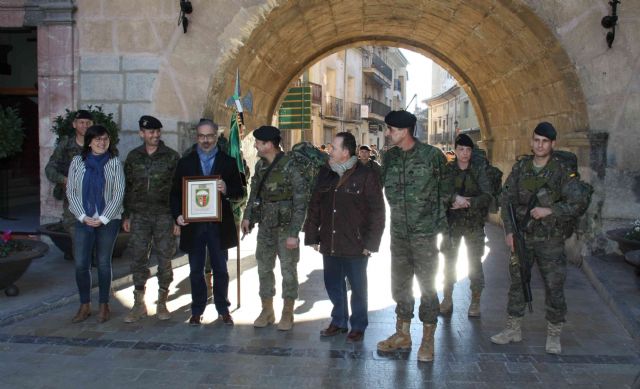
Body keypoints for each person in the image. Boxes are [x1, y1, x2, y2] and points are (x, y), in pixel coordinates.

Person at [491, 122, 589, 354]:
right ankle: (513, 328)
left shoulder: (562, 170)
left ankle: (554, 334)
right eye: (536, 140)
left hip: (550, 239)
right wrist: (509, 231)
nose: (540, 145)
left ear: (552, 144)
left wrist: (550, 211)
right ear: (532, 141)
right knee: (517, 282)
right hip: (523, 237)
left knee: (554, 285)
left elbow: (579, 203)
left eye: (545, 141)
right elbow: (506, 200)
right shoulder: (522, 167)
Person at [376, 110, 451, 362]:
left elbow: (445, 194)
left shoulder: (432, 157)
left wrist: (441, 232)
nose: (387, 133)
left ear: (404, 131)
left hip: (425, 235)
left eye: (391, 129)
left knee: (427, 287)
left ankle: (428, 339)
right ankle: (403, 334)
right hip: (398, 234)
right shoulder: (390, 158)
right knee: (400, 284)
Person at [304, 132, 385, 342]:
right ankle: (339, 321)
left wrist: (371, 243)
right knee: (333, 283)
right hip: (330, 241)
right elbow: (315, 205)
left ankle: (358, 325)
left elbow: (378, 211)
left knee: (358, 287)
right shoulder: (325, 173)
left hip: (356, 244)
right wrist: (312, 234)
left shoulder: (366, 175)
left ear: (345, 152)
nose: (330, 151)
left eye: (334, 148)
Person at [170, 119, 243, 326]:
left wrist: (227, 188)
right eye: (201, 136)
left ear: (216, 136)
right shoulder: (186, 163)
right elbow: (175, 194)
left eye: (209, 136)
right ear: (196, 137)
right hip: (193, 226)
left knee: (220, 269)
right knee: (195, 270)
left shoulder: (228, 162)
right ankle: (197, 309)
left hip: (219, 226)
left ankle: (223, 308)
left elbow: (240, 192)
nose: (205, 140)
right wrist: (177, 215)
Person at [240, 126, 307, 331]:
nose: (255, 146)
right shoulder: (260, 166)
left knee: (288, 270)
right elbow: (254, 194)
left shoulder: (292, 165)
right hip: (266, 227)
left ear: (269, 145)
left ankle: (288, 311)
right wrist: (247, 216)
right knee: (264, 268)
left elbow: (301, 201)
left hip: (287, 227)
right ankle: (267, 310)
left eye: (258, 143)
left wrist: (294, 233)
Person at [122, 115, 180, 323]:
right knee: (138, 258)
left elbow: (178, 190)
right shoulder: (133, 157)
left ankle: (162, 301)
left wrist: (177, 218)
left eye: (157, 132)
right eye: (150, 132)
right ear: (142, 133)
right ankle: (139, 304)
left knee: (165, 259)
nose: (154, 135)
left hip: (164, 215)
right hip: (139, 216)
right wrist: (126, 214)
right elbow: (127, 187)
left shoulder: (172, 157)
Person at [66, 125, 125, 323]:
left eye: (105, 139)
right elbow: (71, 192)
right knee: (81, 264)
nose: (102, 143)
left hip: (108, 221)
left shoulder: (114, 163)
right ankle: (84, 305)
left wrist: (103, 218)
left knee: (103, 263)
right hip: (83, 220)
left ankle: (104, 304)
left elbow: (118, 193)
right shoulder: (77, 162)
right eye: (98, 139)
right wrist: (83, 216)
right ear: (89, 141)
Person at [439, 134, 493, 317]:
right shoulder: (447, 170)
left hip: (473, 224)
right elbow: (440, 192)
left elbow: (487, 195)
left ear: (471, 152)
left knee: (475, 263)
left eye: (468, 150)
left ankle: (476, 301)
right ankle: (447, 299)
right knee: (449, 262)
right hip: (452, 224)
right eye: (461, 149)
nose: (464, 153)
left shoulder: (479, 170)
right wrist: (454, 199)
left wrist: (467, 202)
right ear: (455, 150)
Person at [45, 109, 94, 259]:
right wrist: (64, 180)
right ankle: (82, 266)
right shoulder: (66, 145)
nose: (84, 126)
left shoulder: (99, 143)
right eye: (81, 123)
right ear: (74, 124)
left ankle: (89, 262)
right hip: (73, 199)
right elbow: (50, 168)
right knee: (75, 230)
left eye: (88, 123)